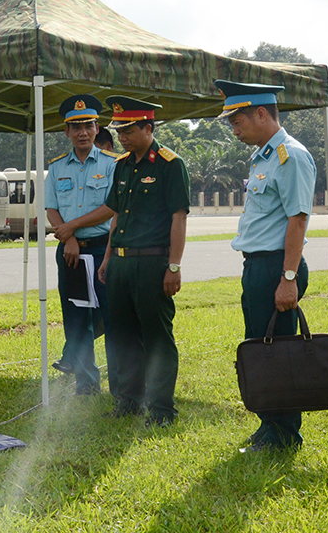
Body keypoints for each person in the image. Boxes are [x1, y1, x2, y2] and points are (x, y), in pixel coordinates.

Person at [216, 79, 316, 453]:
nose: (235, 129)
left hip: (278, 266)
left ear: (261, 113)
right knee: (262, 346)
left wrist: (288, 278)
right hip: (258, 266)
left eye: (237, 120)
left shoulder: (291, 156)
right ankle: (270, 424)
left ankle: (285, 433)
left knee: (280, 351)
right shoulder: (264, 157)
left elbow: (298, 220)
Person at [97, 96, 190, 427]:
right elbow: (117, 215)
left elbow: (179, 218)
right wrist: (108, 257)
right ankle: (130, 400)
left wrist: (174, 266)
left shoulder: (170, 164)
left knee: (157, 338)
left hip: (153, 264)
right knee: (123, 335)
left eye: (128, 130)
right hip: (121, 263)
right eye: (119, 131)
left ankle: (162, 409)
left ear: (148, 128)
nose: (122, 137)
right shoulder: (121, 165)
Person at [45, 94, 119, 397]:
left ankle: (121, 386)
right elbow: (51, 208)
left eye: (87, 125)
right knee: (76, 318)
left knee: (114, 317)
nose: (82, 132)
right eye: (75, 127)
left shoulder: (114, 164)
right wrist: (70, 239)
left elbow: (112, 208)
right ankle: (87, 384)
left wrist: (72, 227)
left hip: (105, 249)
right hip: (71, 252)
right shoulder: (57, 167)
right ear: (66, 132)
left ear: (96, 127)